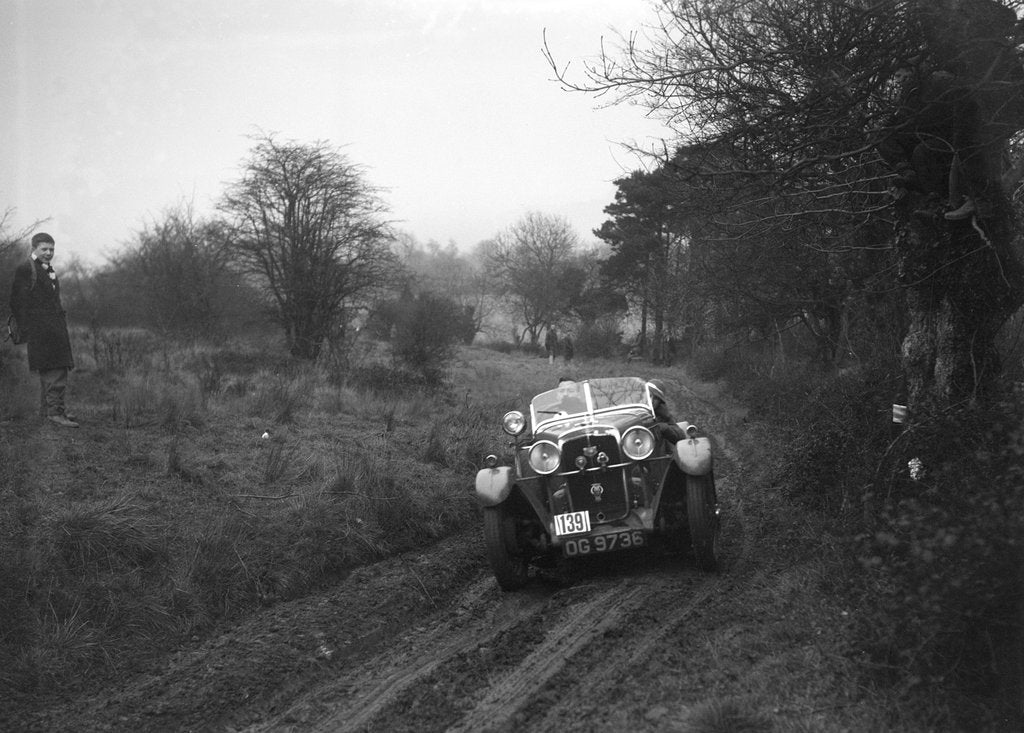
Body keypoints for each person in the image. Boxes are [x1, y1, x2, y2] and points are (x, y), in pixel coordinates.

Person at [8, 232, 78, 427]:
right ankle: (55, 413)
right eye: (44, 249)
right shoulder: (26, 269)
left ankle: (49, 412)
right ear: (34, 248)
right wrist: (28, 327)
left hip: (52, 329)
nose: (49, 253)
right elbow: (16, 301)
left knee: (52, 368)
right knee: (55, 369)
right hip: (42, 330)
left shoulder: (44, 268)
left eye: (52, 249)